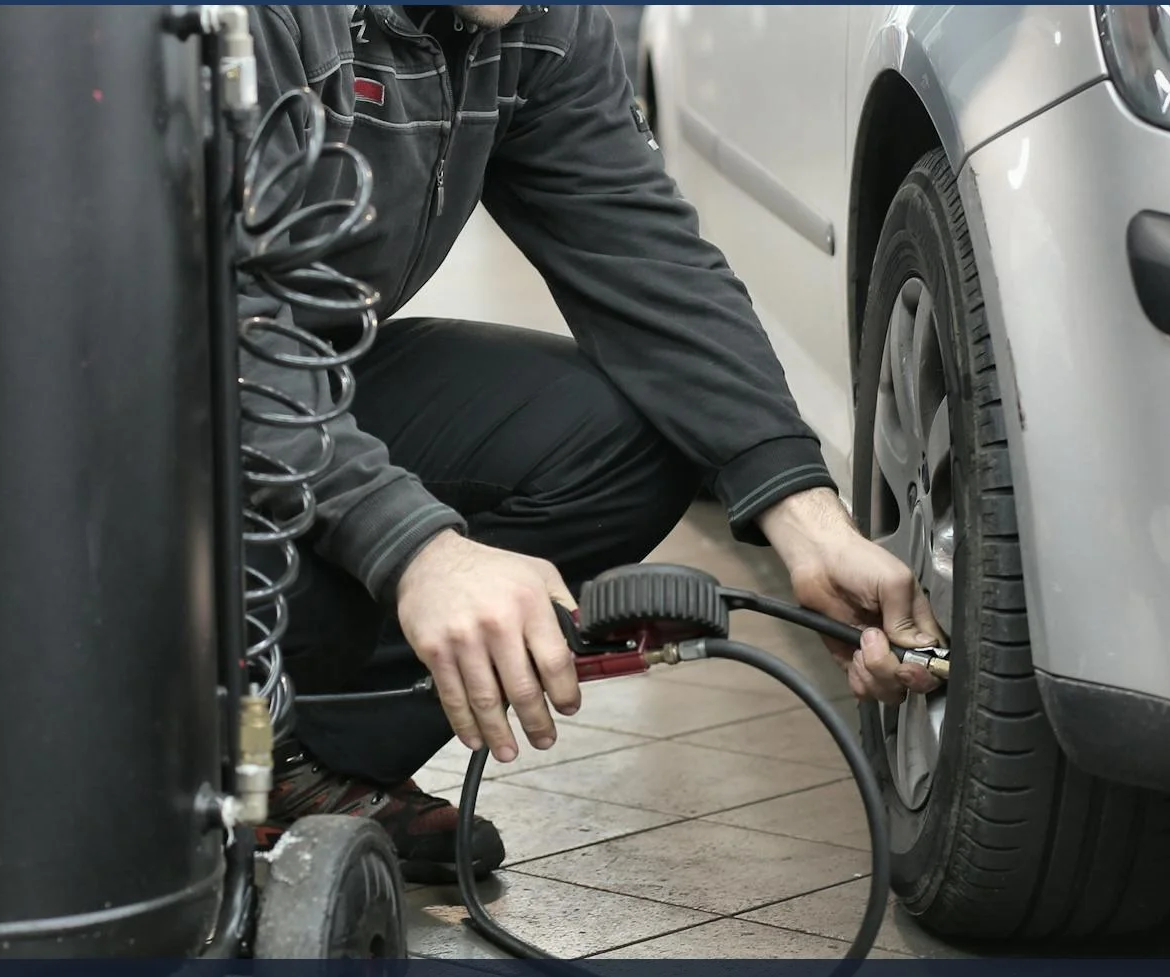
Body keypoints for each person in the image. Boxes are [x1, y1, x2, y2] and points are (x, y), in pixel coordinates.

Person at [245, 4, 943, 882]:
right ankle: (148, 724)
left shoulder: (532, 20)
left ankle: (292, 756)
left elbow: (642, 255)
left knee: (628, 439)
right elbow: (197, 327)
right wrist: (415, 547)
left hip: (294, 374)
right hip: (112, 419)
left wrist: (806, 517)